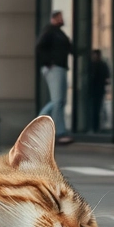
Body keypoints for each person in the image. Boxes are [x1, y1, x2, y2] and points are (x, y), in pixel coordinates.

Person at [36, 10, 74, 145]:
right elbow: (39, 47)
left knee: (60, 101)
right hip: (54, 68)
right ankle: (58, 132)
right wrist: (48, 62)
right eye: (60, 17)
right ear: (54, 18)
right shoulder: (50, 31)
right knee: (57, 100)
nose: (62, 20)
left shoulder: (59, 32)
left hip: (61, 67)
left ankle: (44, 127)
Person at [86, 50, 110, 133]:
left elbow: (107, 78)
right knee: (94, 110)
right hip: (94, 90)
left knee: (97, 109)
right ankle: (94, 127)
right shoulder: (92, 65)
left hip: (98, 90)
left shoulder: (101, 65)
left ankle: (96, 127)